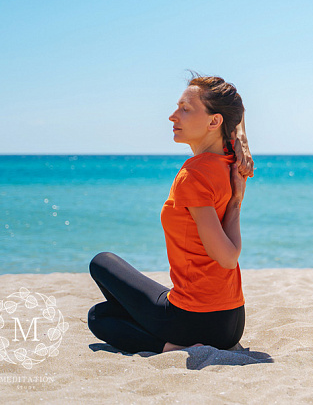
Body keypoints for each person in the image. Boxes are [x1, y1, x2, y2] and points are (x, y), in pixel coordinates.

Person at [88, 74, 255, 353]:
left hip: (196, 321)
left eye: (185, 109)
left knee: (100, 295)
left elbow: (227, 257)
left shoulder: (194, 175)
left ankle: (169, 347)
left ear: (214, 122)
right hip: (232, 319)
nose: (172, 116)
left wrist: (237, 203)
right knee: (115, 301)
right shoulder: (233, 161)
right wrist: (243, 140)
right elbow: (236, 109)